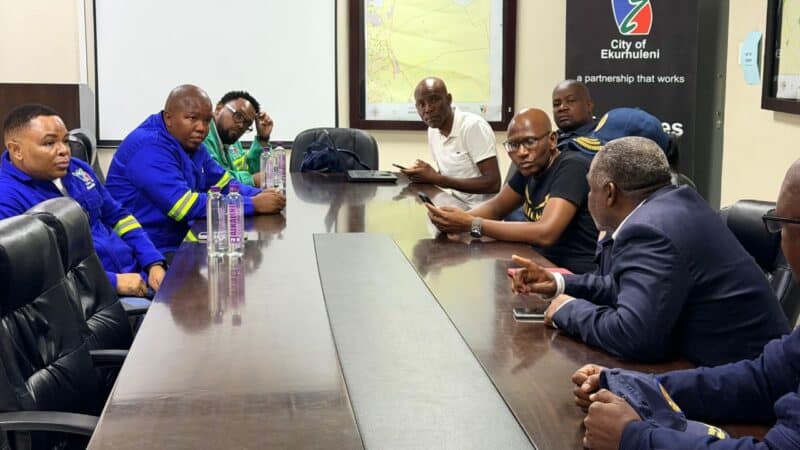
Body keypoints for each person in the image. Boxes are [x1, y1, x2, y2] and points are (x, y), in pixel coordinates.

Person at [571, 159, 800, 450]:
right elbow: (763, 379)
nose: (779, 240)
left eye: (781, 224)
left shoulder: (655, 226)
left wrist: (633, 438)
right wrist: (639, 387)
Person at [509, 136, 788, 366]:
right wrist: (558, 283)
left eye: (589, 189)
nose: (587, 198)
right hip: (742, 364)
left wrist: (568, 310)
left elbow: (634, 336)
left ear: (609, 193)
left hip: (743, 382)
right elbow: (628, 287)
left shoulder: (649, 231)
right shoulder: (678, 202)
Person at [0, 104, 165, 297]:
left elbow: (119, 217)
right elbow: (30, 271)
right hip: (89, 297)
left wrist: (153, 261)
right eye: (49, 143)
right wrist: (112, 282)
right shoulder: (7, 197)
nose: (64, 151)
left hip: (136, 274)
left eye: (65, 141)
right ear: (16, 150)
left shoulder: (78, 169)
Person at [106, 85, 285, 257]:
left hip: (178, 238)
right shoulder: (149, 146)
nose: (201, 128)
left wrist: (265, 195)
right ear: (169, 118)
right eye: (192, 118)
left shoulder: (191, 144)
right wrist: (253, 204)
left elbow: (225, 184)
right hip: (144, 251)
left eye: (207, 121)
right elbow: (182, 206)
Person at [425, 108, 598, 274]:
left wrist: (471, 224)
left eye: (530, 142)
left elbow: (545, 233)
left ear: (552, 140)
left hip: (573, 278)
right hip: (538, 264)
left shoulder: (572, 167)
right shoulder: (530, 167)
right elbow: (496, 208)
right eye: (513, 145)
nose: (522, 152)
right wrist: (453, 221)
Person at [401, 77, 501, 207]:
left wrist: (438, 179)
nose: (428, 109)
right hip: (454, 205)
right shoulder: (433, 131)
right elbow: (448, 176)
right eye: (421, 104)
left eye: (434, 100)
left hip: (481, 216)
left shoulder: (472, 126)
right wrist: (424, 174)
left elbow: (493, 184)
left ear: (449, 99)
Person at [204, 90, 273, 187]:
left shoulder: (232, 140)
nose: (241, 125)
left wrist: (262, 139)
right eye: (238, 116)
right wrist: (252, 180)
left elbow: (251, 171)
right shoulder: (202, 135)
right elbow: (214, 178)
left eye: (247, 123)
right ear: (219, 108)